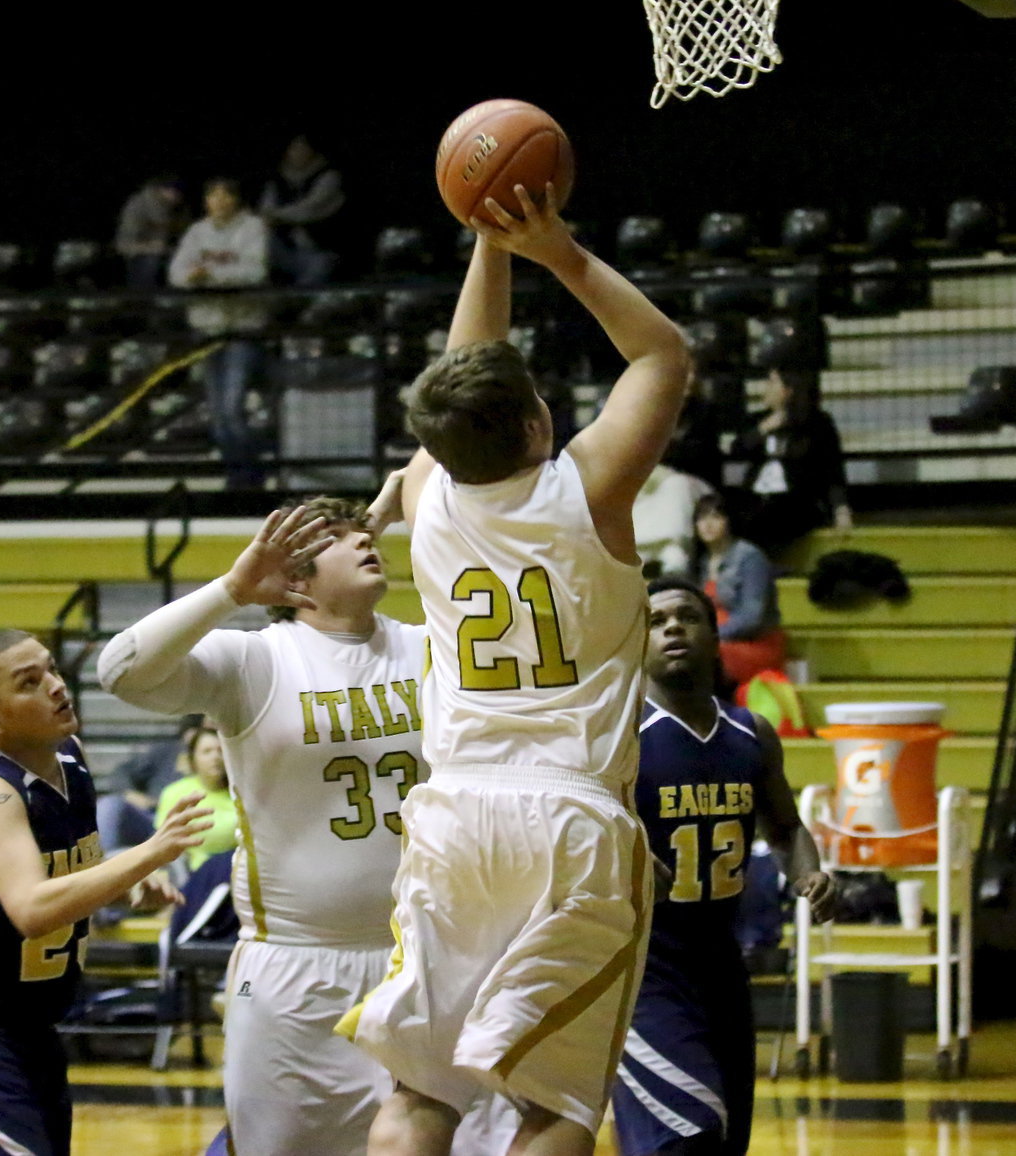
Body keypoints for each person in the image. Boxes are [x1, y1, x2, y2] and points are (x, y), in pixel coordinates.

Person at [340, 180, 693, 1156]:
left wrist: (487, 246)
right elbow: (662, 352)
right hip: (571, 814)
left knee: (418, 1092)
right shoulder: (593, 489)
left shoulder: (425, 495)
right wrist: (555, 248)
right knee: (557, 1103)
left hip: (454, 810)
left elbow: (461, 372)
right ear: (539, 425)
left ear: (435, 446)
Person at [97, 496, 508, 1156]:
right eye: (343, 540)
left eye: (366, 534)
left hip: (432, 952)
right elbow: (120, 670)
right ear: (295, 580)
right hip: (296, 965)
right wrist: (231, 590)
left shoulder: (431, 645)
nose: (367, 542)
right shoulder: (256, 660)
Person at [612, 578, 835, 1156]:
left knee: (725, 1137)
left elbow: (784, 827)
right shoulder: (618, 737)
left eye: (687, 617)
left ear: (716, 639)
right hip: (643, 969)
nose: (672, 629)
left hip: (721, 962)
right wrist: (629, 857)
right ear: (637, 642)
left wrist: (808, 872)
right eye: (656, 621)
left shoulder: (750, 732)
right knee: (686, 1133)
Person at [0, 628, 210, 1156]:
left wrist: (120, 882)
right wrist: (147, 854)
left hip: (31, 1027)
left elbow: (55, 877)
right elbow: (32, 908)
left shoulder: (71, 758)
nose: (57, 687)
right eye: (29, 682)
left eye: (53, 670)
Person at [168, 177, 271, 489]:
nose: (220, 200)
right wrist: (196, 277)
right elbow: (177, 274)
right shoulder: (197, 232)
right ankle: (235, 475)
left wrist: (210, 276)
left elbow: (255, 271)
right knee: (217, 415)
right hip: (207, 332)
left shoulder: (252, 227)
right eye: (214, 195)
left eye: (227, 194)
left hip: (242, 332)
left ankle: (251, 475)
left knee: (232, 409)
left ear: (236, 199)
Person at [732, 366, 852, 558]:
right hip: (756, 497)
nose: (765, 388)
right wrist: (762, 429)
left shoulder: (817, 423)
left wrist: (840, 509)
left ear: (788, 391)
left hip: (796, 501)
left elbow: (832, 470)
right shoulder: (758, 420)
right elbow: (737, 450)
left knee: (768, 514)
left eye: (772, 383)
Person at [690, 491, 786, 688]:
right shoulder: (699, 561)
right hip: (714, 640)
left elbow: (752, 617)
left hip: (754, 643)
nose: (707, 524)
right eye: (701, 518)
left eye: (716, 517)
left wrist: (708, 636)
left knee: (700, 656)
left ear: (729, 521)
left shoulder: (750, 557)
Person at [95, 712, 202, 854]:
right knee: (109, 804)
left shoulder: (221, 756)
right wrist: (131, 794)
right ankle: (104, 866)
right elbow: (121, 773)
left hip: (199, 819)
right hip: (153, 816)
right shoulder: (167, 752)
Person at [259, 133, 347, 287]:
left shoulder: (328, 176)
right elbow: (265, 210)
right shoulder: (277, 180)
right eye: (293, 149)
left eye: (302, 148)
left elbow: (311, 209)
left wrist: (277, 215)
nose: (298, 153)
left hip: (318, 250)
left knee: (320, 266)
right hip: (285, 249)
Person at [154, 723, 238, 872]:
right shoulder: (175, 792)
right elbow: (165, 840)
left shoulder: (240, 794)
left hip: (235, 867)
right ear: (193, 759)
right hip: (192, 871)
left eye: (220, 751)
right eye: (207, 752)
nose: (215, 757)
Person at [114, 174, 190, 289]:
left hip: (168, 253)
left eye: (179, 193)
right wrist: (151, 247)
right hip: (138, 255)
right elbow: (123, 245)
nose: (176, 196)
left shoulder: (180, 209)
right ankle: (143, 301)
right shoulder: (138, 205)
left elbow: (183, 236)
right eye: (171, 190)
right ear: (160, 189)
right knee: (151, 261)